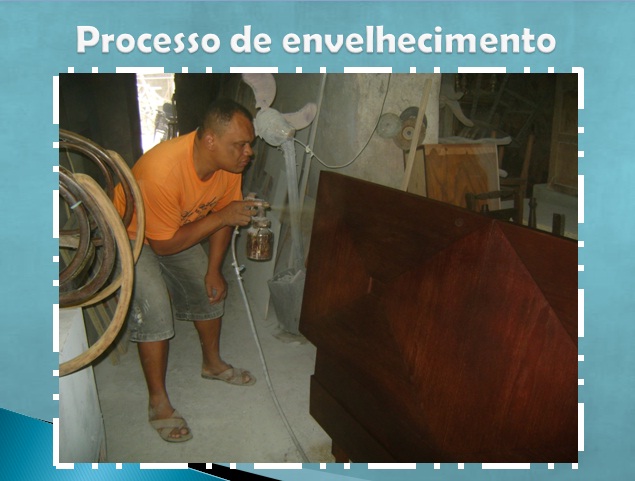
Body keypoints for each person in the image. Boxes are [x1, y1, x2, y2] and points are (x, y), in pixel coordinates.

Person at [113, 98, 260, 443]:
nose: (248, 153)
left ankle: (212, 364)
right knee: (154, 306)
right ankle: (158, 401)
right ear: (210, 140)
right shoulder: (161, 172)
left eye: (249, 144)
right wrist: (221, 217)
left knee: (208, 291)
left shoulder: (229, 166)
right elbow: (164, 246)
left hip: (174, 230)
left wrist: (214, 269)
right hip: (132, 234)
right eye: (240, 145)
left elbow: (226, 215)